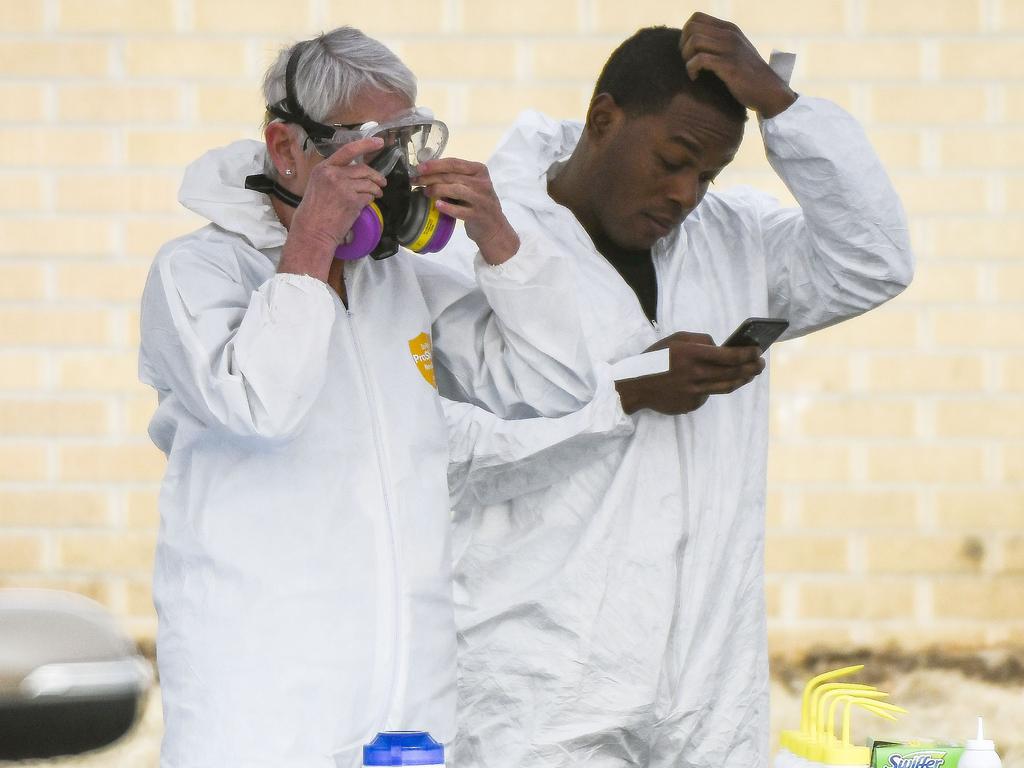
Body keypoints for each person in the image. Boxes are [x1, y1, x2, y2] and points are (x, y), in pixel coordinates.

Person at [138, 27, 633, 768]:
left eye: (404, 144)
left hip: (405, 693)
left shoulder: (397, 280)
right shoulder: (195, 274)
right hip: (260, 697)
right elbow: (259, 404)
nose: (394, 172)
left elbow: (551, 383)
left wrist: (500, 240)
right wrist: (309, 244)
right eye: (370, 149)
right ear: (285, 148)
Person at [443, 14, 914, 768]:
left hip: (707, 680)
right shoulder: (475, 241)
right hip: (542, 684)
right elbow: (455, 460)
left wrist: (782, 110)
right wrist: (632, 388)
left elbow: (874, 262)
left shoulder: (735, 239)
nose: (685, 193)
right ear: (604, 120)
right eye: (672, 159)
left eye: (708, 175)